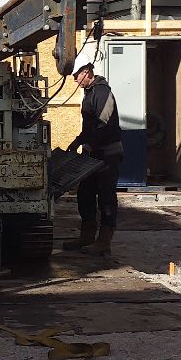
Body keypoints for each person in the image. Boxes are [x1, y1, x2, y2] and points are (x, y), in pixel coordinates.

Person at [65, 50, 122, 256]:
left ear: (87, 71)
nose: (74, 80)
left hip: (108, 154)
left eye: (76, 75)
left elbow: (102, 123)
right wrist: (78, 141)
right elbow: (89, 126)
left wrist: (89, 143)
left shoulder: (102, 92)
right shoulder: (89, 93)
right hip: (94, 154)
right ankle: (87, 236)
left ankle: (104, 242)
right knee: (85, 194)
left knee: (106, 197)